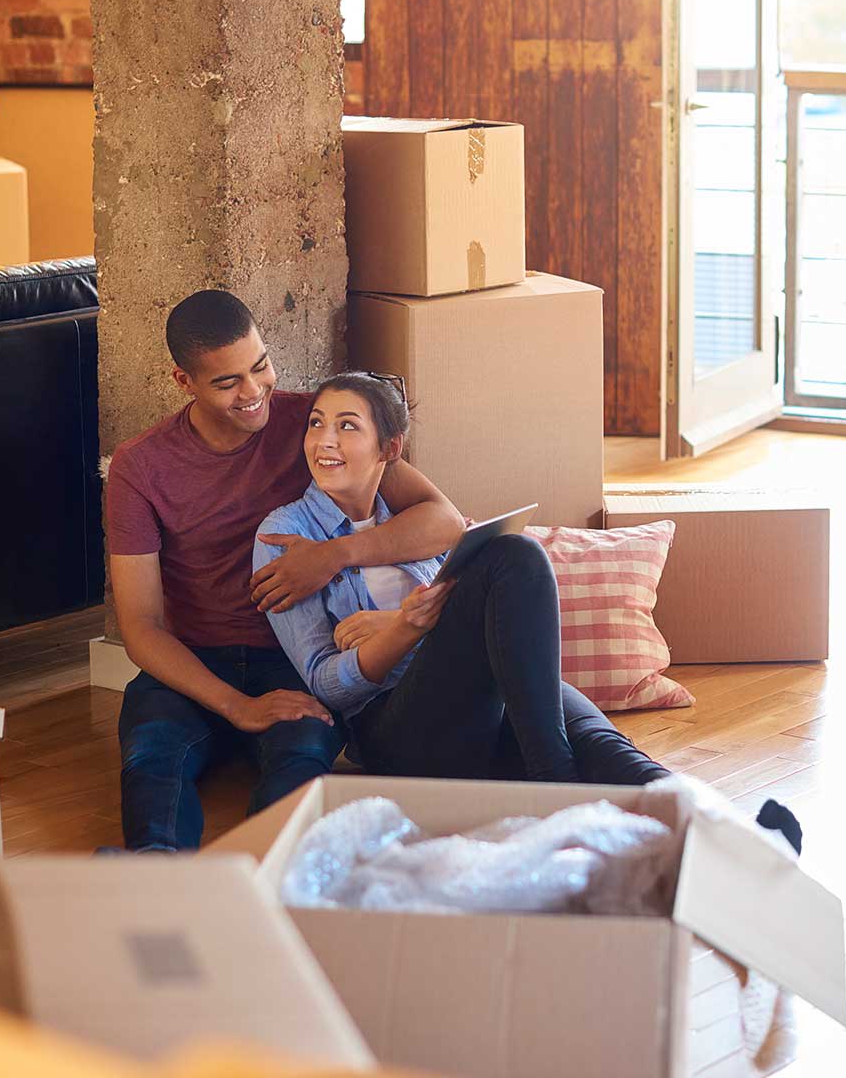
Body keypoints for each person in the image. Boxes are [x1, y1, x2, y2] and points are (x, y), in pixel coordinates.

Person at [105, 292, 464, 851]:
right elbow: (142, 626)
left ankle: (263, 877)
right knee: (152, 758)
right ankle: (157, 875)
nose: (253, 392)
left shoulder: (314, 425)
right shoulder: (140, 466)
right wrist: (237, 706)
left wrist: (334, 555)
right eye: (228, 383)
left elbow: (444, 521)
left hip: (294, 658)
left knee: (302, 756)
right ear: (184, 381)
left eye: (261, 366)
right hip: (194, 659)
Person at [256, 372, 672, 786]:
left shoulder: (412, 521)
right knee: (514, 554)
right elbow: (326, 685)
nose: (325, 440)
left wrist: (405, 622)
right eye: (316, 423)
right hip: (396, 728)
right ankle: (553, 780)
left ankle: (692, 811)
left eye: (347, 426)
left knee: (608, 754)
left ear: (389, 448)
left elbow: (476, 611)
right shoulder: (285, 534)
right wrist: (404, 629)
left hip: (485, 699)